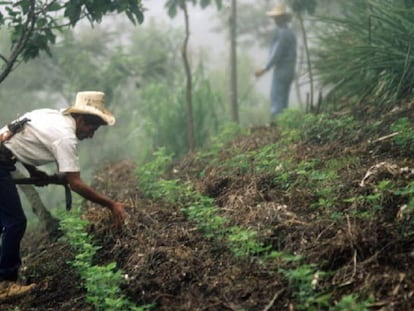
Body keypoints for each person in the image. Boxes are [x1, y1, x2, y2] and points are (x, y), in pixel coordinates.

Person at [0, 91, 126, 288]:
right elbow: (75, 183)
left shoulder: (50, 115)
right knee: (15, 223)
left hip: (4, 159)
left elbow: (18, 138)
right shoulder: (65, 137)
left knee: (4, 222)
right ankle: (6, 283)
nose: (91, 135)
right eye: (92, 129)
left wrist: (34, 171)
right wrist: (111, 205)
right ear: (81, 119)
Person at [255, 3, 297, 121]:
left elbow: (276, 54)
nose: (275, 20)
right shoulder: (290, 33)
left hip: (282, 70)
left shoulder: (282, 33)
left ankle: (277, 124)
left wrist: (264, 68)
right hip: (289, 69)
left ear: (282, 18)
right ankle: (283, 124)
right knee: (283, 98)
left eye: (277, 17)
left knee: (277, 96)